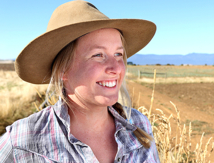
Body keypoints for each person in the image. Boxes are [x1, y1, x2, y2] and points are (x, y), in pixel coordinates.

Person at [0, 1, 159, 162]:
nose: (116, 68)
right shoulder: (23, 141)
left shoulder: (139, 125)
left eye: (118, 54)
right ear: (63, 70)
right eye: (98, 55)